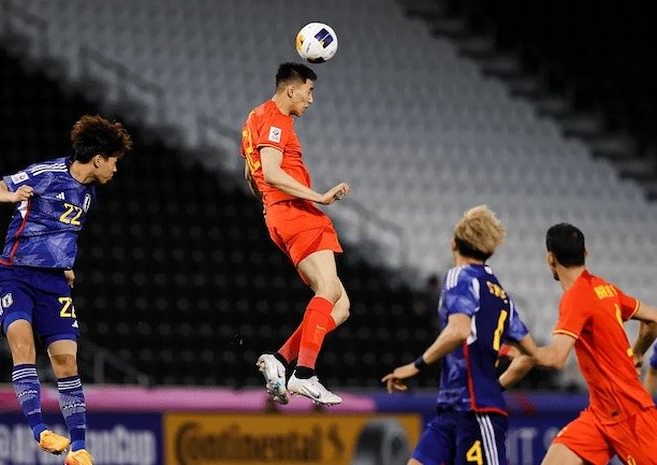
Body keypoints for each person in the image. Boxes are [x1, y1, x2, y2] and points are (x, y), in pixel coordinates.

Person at [0, 115, 132, 465]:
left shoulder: (89, 194)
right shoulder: (45, 173)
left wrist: (64, 264)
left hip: (53, 282)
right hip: (14, 274)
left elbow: (63, 233)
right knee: (23, 345)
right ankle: (40, 432)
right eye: (114, 160)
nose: (115, 168)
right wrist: (12, 196)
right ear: (99, 159)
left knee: (67, 362)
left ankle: (78, 449)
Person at [382, 205, 537, 465]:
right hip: (452, 409)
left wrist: (415, 366)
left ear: (453, 243)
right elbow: (531, 354)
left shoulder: (459, 277)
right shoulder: (500, 293)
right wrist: (496, 385)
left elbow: (459, 330)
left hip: (477, 412)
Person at [240, 62, 350, 406]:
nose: (311, 99)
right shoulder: (274, 118)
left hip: (280, 213)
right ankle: (304, 374)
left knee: (341, 306)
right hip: (295, 211)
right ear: (291, 89)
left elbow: (250, 175)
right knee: (329, 290)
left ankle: (281, 359)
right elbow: (270, 172)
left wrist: (268, 206)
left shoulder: (253, 118)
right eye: (309, 90)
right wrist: (318, 196)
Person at [521, 223, 657, 465]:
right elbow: (653, 318)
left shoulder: (575, 298)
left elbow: (556, 358)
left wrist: (515, 349)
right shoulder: (604, 288)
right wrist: (637, 354)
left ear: (550, 258)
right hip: (600, 413)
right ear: (585, 253)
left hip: (630, 416)